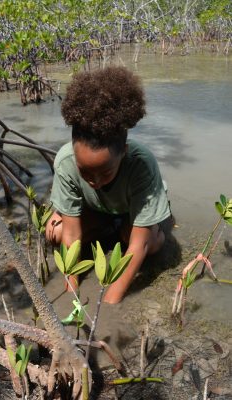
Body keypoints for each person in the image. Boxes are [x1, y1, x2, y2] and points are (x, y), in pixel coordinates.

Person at [46, 66, 171, 304]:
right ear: (73, 150)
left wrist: (110, 303)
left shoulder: (142, 165)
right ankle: (107, 227)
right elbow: (71, 236)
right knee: (56, 231)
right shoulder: (65, 161)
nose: (94, 180)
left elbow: (140, 244)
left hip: (131, 212)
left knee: (151, 245)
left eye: (105, 172)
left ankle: (125, 228)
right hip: (97, 209)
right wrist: (70, 293)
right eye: (85, 171)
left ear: (123, 152)